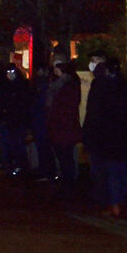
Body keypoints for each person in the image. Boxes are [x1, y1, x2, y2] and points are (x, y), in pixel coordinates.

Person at [83, 58, 127, 217]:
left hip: (106, 135)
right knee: (121, 170)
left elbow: (94, 113)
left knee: (110, 172)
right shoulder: (123, 85)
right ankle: (119, 200)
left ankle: (113, 202)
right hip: (122, 134)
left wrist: (90, 135)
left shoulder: (101, 87)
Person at [47, 61, 82, 197]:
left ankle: (69, 184)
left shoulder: (66, 85)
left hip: (63, 126)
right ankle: (67, 182)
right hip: (61, 126)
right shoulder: (62, 83)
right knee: (64, 156)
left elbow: (63, 108)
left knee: (65, 156)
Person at [0, 63, 31, 175]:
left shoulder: (21, 86)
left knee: (18, 144)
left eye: (12, 72)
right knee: (12, 144)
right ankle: (15, 165)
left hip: (18, 120)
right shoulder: (7, 86)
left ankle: (21, 165)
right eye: (8, 72)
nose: (10, 75)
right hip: (10, 120)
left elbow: (24, 104)